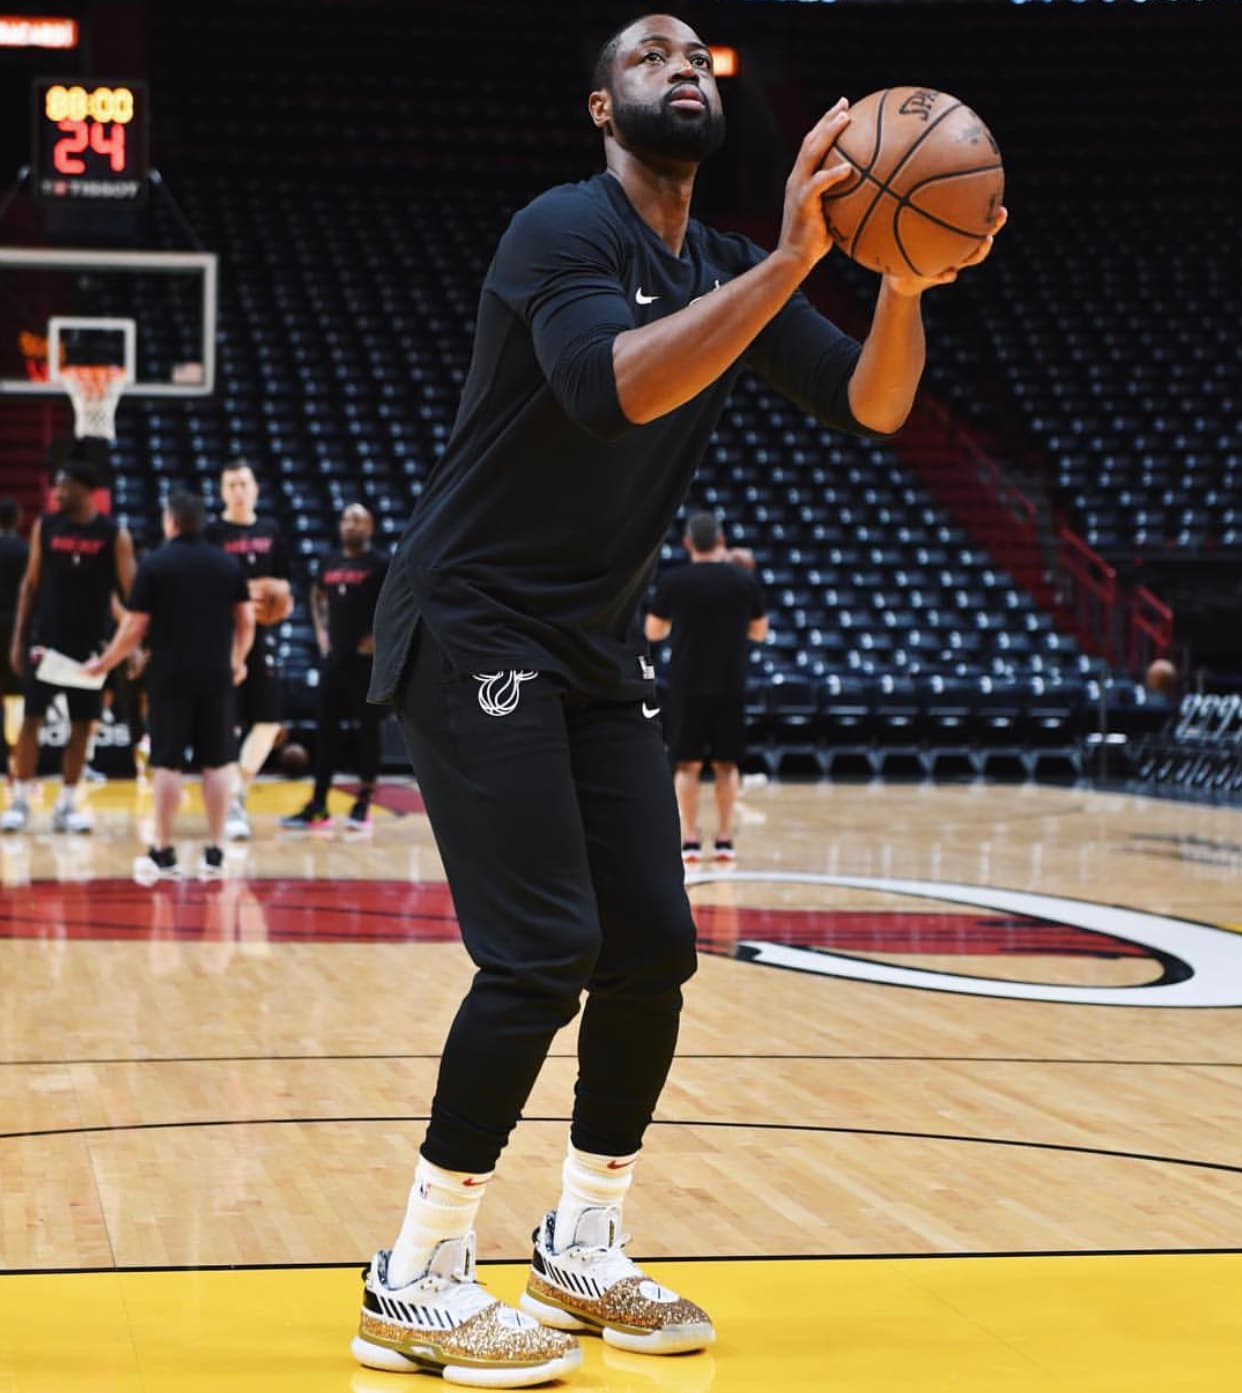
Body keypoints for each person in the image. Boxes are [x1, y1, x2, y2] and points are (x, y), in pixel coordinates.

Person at [357, 13, 1005, 1384]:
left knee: (652, 944)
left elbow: (875, 405)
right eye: (649, 54)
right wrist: (793, 259)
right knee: (542, 951)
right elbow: (612, 391)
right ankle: (414, 1271)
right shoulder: (560, 230)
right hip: (472, 618)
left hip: (592, 645)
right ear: (604, 108)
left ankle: (581, 1241)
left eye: (696, 54)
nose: (682, 64)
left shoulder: (718, 264)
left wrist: (900, 278)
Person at [84, 490, 254, 879]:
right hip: (216, 673)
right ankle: (215, 852)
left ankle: (163, 852)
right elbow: (247, 621)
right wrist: (237, 660)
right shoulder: (226, 564)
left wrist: (105, 663)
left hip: (170, 675)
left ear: (171, 521)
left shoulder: (155, 564)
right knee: (217, 763)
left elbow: (134, 626)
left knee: (167, 763)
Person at [2, 462, 135, 834]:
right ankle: (20, 801)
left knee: (81, 726)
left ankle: (67, 804)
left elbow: (131, 594)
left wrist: (134, 645)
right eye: (56, 487)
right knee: (30, 721)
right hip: (45, 641)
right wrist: (18, 638)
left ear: (86, 490)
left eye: (64, 487)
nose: (57, 493)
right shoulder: (46, 526)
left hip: (90, 647)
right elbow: (30, 585)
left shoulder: (113, 534)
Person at [645, 511, 768, 864]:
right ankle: (725, 839)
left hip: (687, 684)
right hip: (730, 682)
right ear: (721, 540)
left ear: (687, 543)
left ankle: (690, 840)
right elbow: (760, 632)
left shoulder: (674, 581)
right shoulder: (744, 581)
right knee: (727, 764)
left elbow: (653, 632)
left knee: (687, 765)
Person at [281, 502, 387, 832]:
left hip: (366, 663)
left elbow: (398, 605)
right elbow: (316, 595)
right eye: (346, 519)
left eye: (358, 519)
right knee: (326, 732)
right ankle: (319, 805)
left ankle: (363, 803)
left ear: (370, 527)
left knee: (367, 732)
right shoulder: (329, 561)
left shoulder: (380, 564)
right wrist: (321, 633)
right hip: (334, 660)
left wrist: (378, 638)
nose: (351, 524)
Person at [205, 457, 293, 841]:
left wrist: (275, 600)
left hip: (263, 636)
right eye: (231, 485)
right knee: (228, 721)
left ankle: (236, 791)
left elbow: (286, 588)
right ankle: (232, 803)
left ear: (255, 489)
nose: (238, 491)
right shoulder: (212, 533)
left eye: (244, 483)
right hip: (222, 637)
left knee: (269, 721)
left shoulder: (271, 531)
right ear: (222, 491)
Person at [0, 496, 28, 774]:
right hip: (17, 629)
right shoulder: (25, 550)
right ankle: (18, 757)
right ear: (18, 519)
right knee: (19, 694)